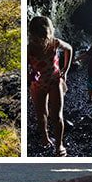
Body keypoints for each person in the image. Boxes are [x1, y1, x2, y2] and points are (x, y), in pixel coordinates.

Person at [27, 16, 73, 156]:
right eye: (37, 38)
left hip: (54, 81)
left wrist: (65, 70)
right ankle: (45, 138)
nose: (40, 41)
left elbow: (69, 49)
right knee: (41, 115)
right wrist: (30, 76)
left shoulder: (54, 43)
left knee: (57, 116)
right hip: (37, 84)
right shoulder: (29, 49)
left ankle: (59, 145)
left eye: (43, 38)